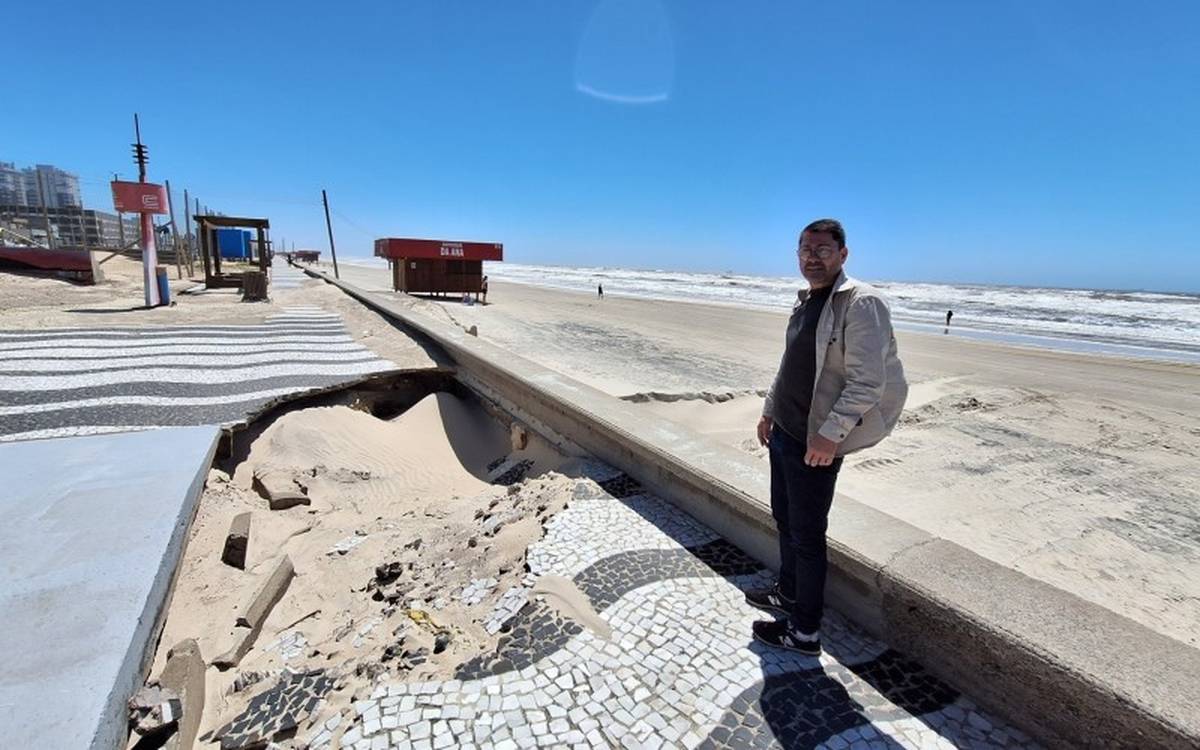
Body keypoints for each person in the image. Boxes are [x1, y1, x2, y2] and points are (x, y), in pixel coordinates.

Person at [748, 218, 907, 656]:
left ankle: (804, 631)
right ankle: (789, 593)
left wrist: (829, 436)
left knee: (808, 534)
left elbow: (867, 382)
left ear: (843, 255)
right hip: (785, 431)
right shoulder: (806, 301)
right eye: (804, 249)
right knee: (785, 519)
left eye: (821, 250)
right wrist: (768, 411)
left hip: (815, 442)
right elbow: (790, 366)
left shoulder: (861, 303)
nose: (811, 258)